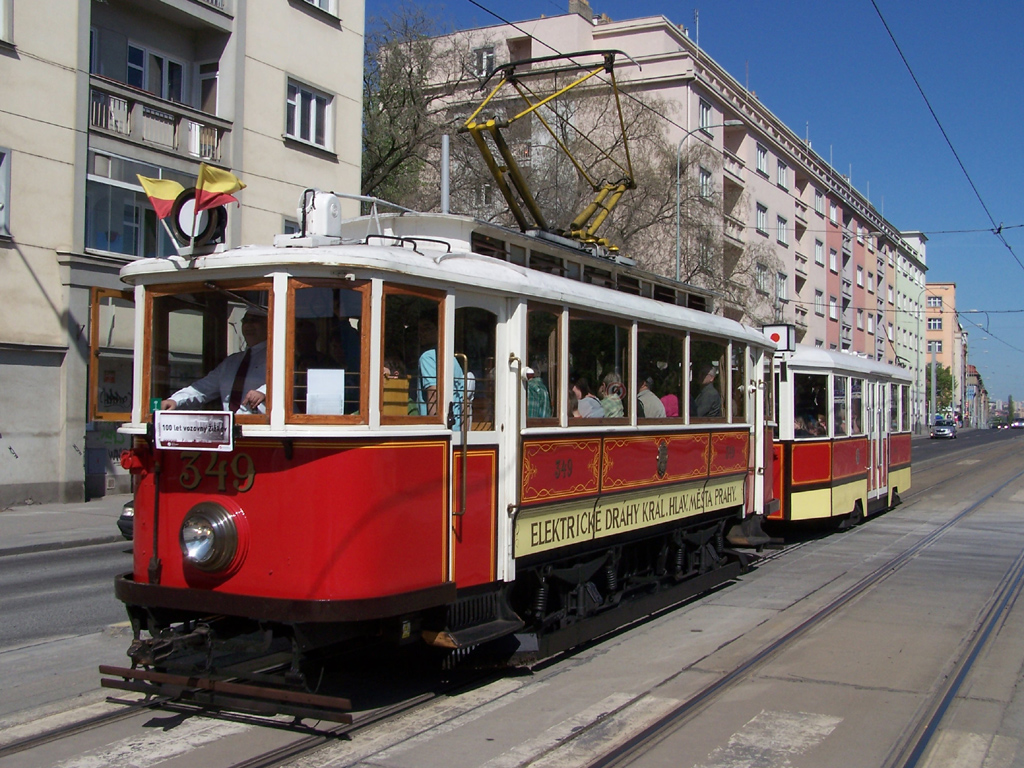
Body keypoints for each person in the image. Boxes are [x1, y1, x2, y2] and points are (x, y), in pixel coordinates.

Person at [161, 309, 268, 414]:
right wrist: (175, 401)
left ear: (268, 324)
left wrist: (264, 392)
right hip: (231, 427)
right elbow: (202, 388)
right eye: (245, 321)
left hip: (262, 428)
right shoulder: (232, 362)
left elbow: (283, 384)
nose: (248, 326)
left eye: (255, 320)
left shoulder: (276, 358)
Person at [416, 311, 466, 427]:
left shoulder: (428, 357)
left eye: (427, 328)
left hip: (440, 428)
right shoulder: (452, 359)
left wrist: (435, 430)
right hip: (456, 428)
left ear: (439, 330)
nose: (421, 334)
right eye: (419, 330)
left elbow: (434, 395)